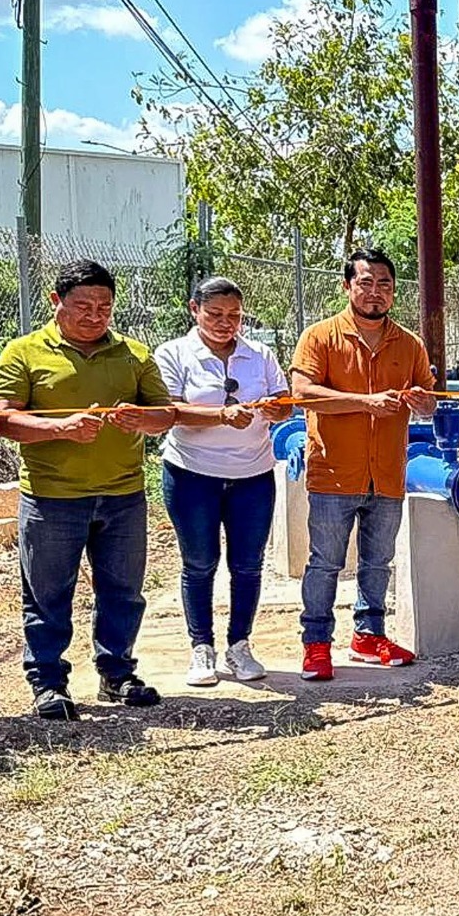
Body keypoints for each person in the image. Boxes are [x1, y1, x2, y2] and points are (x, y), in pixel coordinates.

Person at [0, 259, 177, 720]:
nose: (95, 315)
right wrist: (60, 429)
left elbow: (165, 414)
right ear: (55, 301)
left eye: (104, 307)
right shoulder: (24, 352)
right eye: (83, 306)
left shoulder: (133, 353)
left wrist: (142, 419)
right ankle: (48, 682)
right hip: (52, 498)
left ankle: (118, 673)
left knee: (123, 591)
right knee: (47, 595)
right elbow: (2, 419)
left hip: (123, 495)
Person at [289, 248, 437, 680]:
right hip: (335, 473)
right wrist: (365, 402)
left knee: (378, 562)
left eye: (384, 284)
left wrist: (423, 401)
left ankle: (369, 635)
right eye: (366, 283)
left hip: (387, 473)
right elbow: (302, 393)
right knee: (325, 562)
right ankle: (317, 643)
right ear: (347, 286)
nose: (375, 292)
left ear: (393, 291)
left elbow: (429, 401)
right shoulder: (320, 337)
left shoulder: (409, 344)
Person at [154, 277, 293, 686]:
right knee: (199, 563)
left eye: (234, 315)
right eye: (214, 313)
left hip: (253, 475)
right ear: (193, 309)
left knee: (248, 565)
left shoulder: (260, 354)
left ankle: (240, 644)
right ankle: (202, 647)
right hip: (192, 473)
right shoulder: (174, 353)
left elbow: (284, 402)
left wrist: (278, 408)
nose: (225, 322)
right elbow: (169, 411)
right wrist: (220, 415)